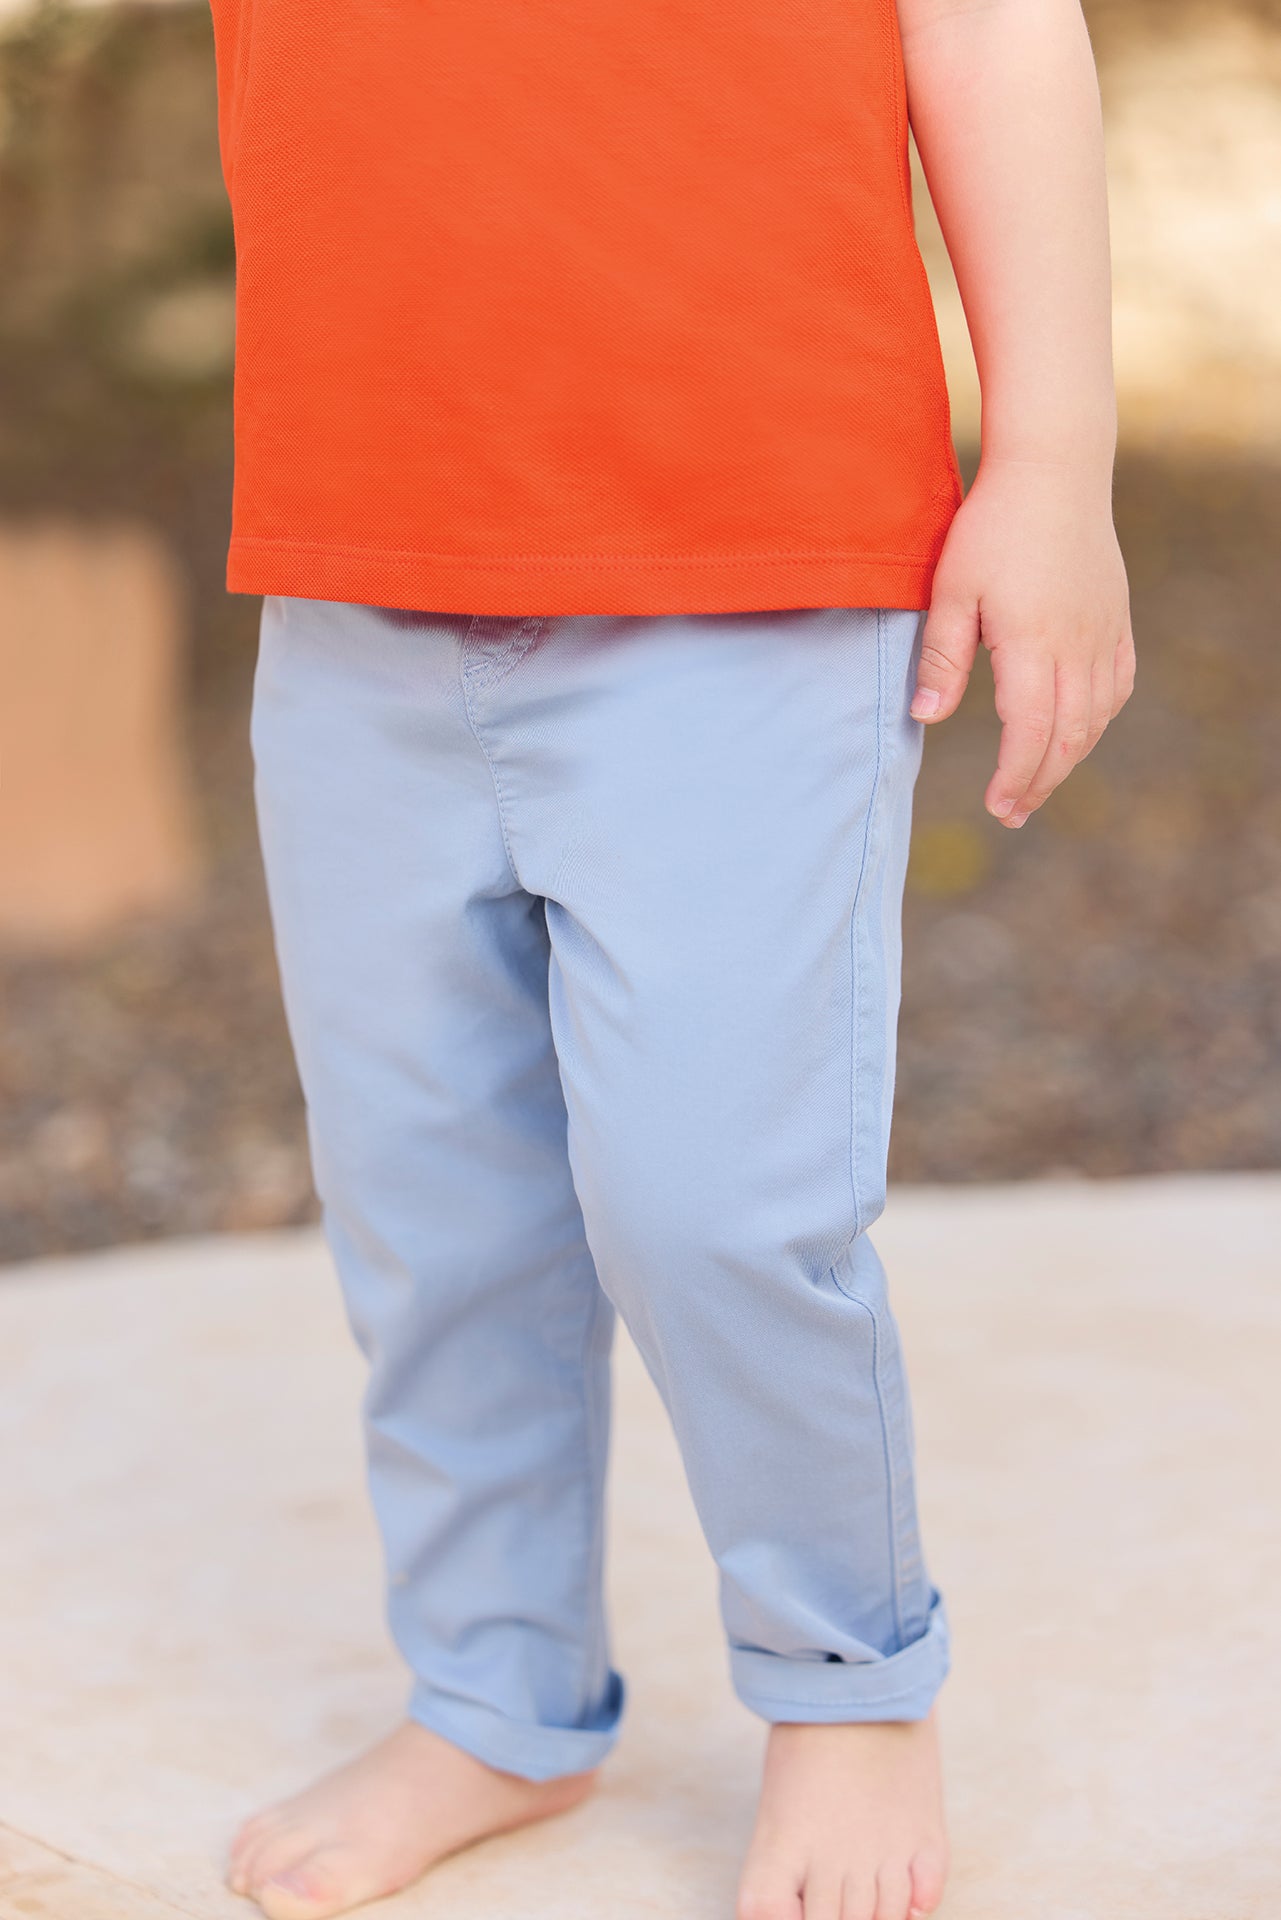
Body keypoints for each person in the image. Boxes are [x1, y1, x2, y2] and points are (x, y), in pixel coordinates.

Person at [207, 0, 1135, 1913]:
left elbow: (989, 28)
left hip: (755, 568)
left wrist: (1052, 464)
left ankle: (846, 1683)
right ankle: (495, 1700)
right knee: (430, 1215)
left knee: (717, 1202)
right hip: (356, 569)